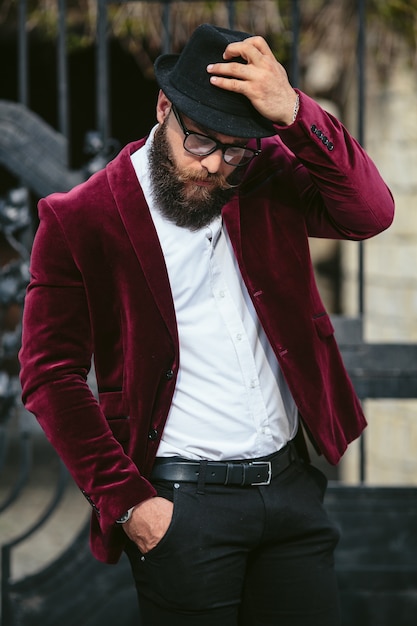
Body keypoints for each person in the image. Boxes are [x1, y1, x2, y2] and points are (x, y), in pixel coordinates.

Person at [19, 23, 394, 626]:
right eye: (200, 142)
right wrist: (131, 505)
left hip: (291, 490)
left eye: (236, 149)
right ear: (164, 108)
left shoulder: (264, 175)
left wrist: (296, 113)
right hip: (181, 509)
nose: (216, 165)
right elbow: (49, 376)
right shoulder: (79, 218)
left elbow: (371, 211)